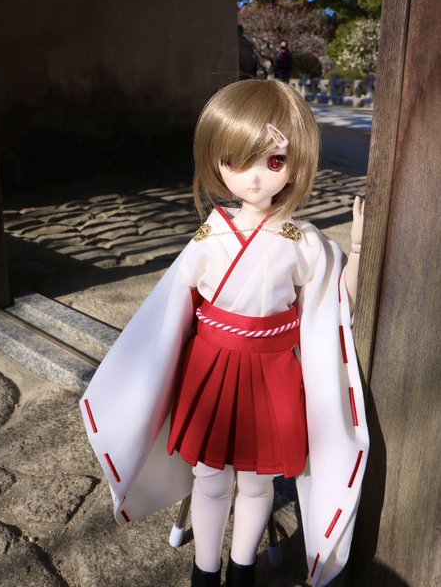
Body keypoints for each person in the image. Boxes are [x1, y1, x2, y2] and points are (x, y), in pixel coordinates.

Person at [80, 79, 369, 587]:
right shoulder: (211, 233)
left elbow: (332, 299)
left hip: (272, 372)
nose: (255, 178)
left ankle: (242, 569)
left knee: (257, 483)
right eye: (237, 161)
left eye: (274, 162)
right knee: (210, 478)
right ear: (218, 164)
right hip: (212, 367)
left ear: (296, 164)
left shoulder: (301, 239)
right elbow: (175, 300)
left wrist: (360, 252)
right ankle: (204, 568)